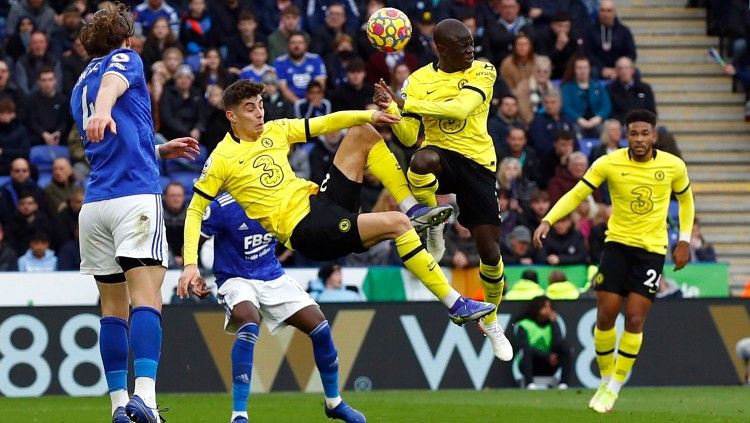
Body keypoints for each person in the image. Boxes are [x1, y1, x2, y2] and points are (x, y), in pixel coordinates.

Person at [177, 80, 495, 339]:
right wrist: (190, 263)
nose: (259, 113)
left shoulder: (274, 130)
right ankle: (454, 303)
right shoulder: (221, 159)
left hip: (321, 203)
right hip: (305, 230)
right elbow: (194, 211)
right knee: (397, 225)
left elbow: (327, 122)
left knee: (362, 133)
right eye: (250, 109)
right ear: (232, 116)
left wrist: (370, 115)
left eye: (260, 105)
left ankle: (412, 207)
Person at [71, 4, 200, 423]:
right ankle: (145, 398)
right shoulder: (124, 60)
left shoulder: (77, 85)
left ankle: (119, 406)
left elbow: (113, 140)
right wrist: (107, 107)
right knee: (147, 299)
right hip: (134, 198)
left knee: (112, 308)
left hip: (95, 205)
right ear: (126, 38)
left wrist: (158, 150)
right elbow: (112, 84)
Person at [533, 109, 695, 413]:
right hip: (616, 246)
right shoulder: (608, 163)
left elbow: (686, 201)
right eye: (633, 133)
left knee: (634, 317)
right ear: (625, 135)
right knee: (605, 316)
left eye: (645, 133)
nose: (639, 139)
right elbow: (578, 193)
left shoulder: (673, 166)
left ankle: (615, 387)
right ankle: (606, 379)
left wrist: (683, 240)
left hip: (651, 250)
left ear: (654, 136)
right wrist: (548, 219)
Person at [374, 18, 514, 361]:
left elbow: (460, 109)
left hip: (478, 164)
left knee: (491, 254)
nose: (471, 51)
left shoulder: (484, 71)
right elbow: (408, 138)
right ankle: (432, 221)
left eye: (471, 44)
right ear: (441, 48)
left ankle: (492, 321)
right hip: (442, 157)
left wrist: (405, 104)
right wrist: (392, 110)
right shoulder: (418, 81)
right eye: (463, 46)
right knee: (420, 161)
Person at [512, 295, 573, 389]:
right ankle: (529, 384)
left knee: (565, 346)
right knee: (527, 349)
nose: (549, 310)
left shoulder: (553, 324)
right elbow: (523, 345)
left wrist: (554, 322)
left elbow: (558, 342)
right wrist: (547, 356)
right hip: (531, 363)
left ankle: (563, 383)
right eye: (545, 306)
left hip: (550, 364)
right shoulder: (524, 325)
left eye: (550, 307)